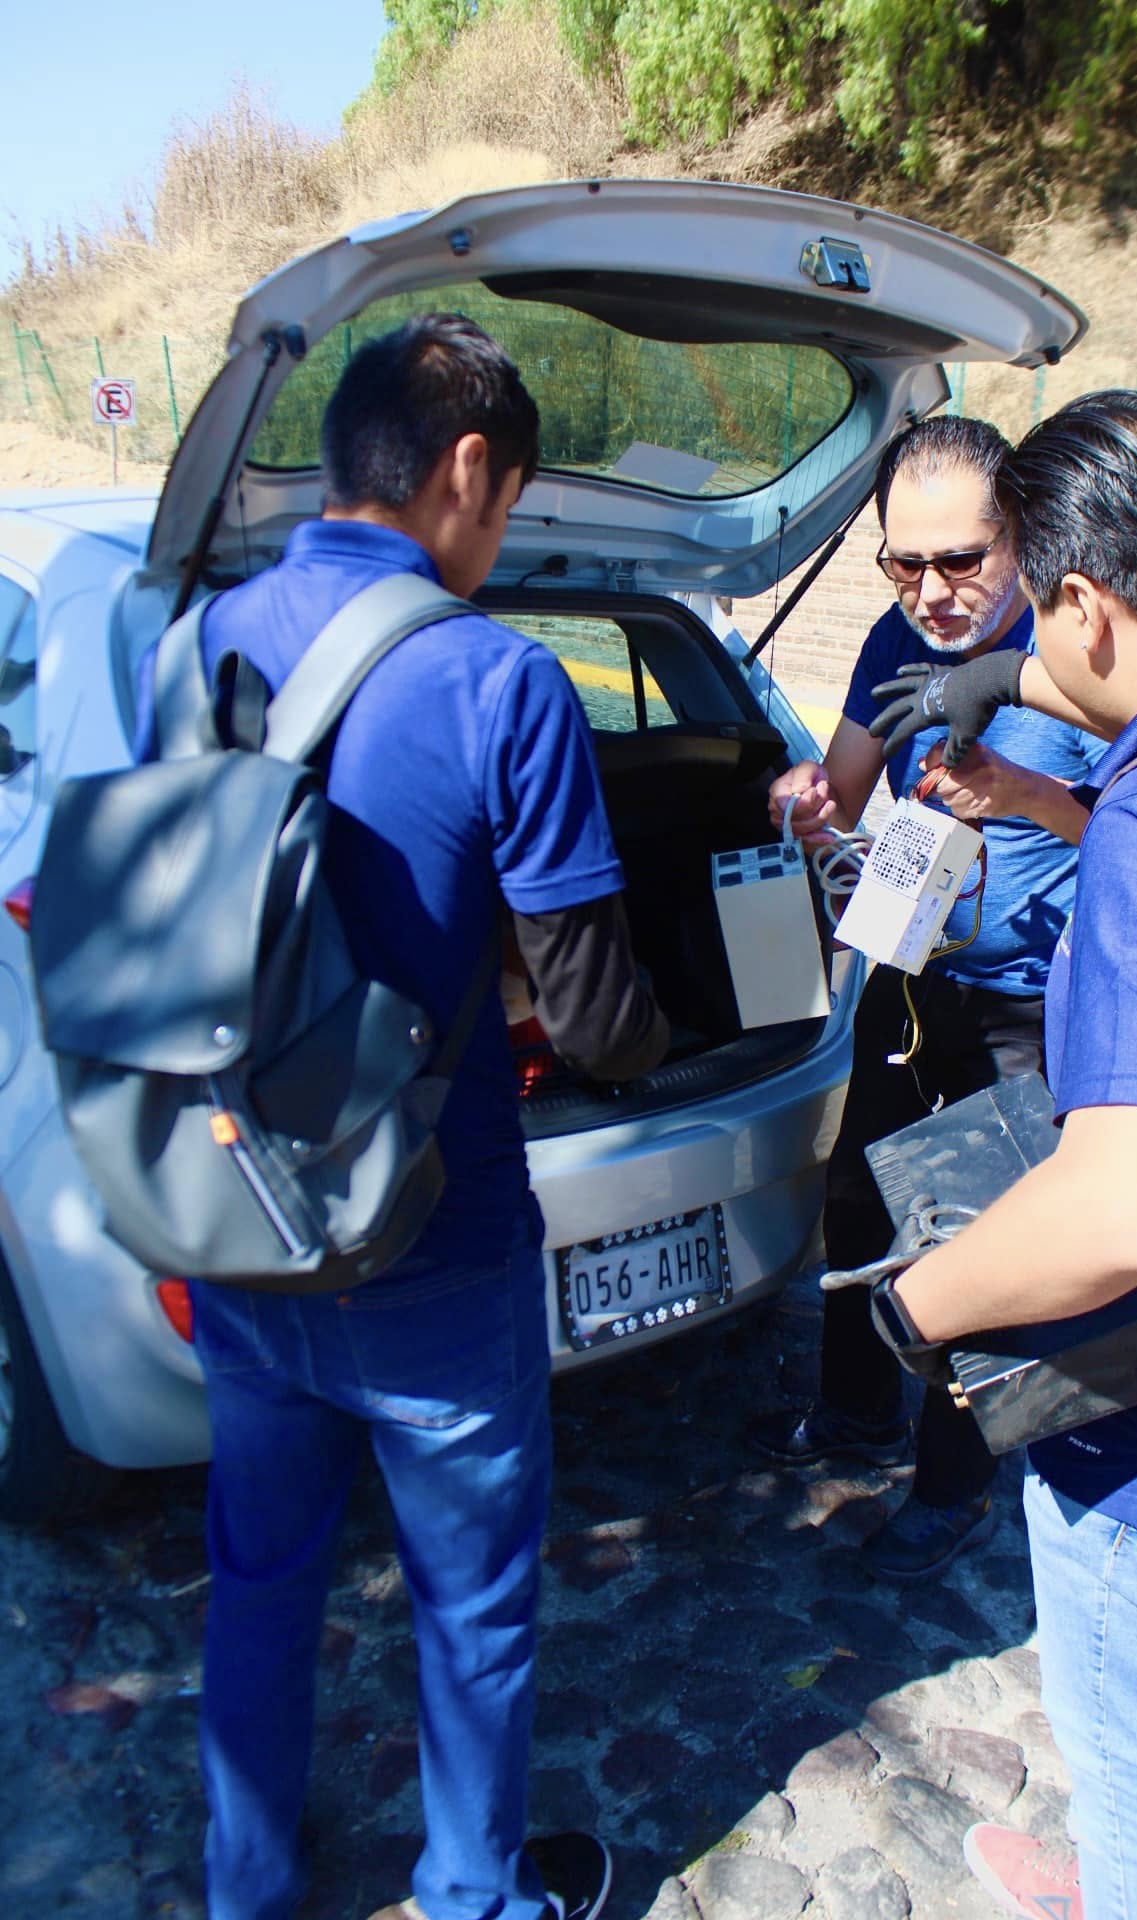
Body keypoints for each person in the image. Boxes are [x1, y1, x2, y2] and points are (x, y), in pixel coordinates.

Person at [135, 315, 669, 1920]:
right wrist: (667, 1027)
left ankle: (246, 1887)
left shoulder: (197, 646)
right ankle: (472, 1896)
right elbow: (599, 1026)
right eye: (508, 504)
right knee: (472, 1612)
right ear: (460, 471)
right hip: (433, 1249)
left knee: (261, 1577)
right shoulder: (501, 679)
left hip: (239, 1219)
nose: (502, 542)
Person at [865, 390, 1137, 1920]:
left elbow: (1124, 1208)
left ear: (1091, 603)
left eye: (1032, 602)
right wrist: (1025, 751)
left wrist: (924, 1302)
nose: (1012, 641)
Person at [749, 414, 1105, 1582]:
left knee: (983, 1246)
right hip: (907, 980)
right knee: (856, 1211)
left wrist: (1025, 797)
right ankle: (853, 1418)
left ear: (1021, 536)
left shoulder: (1084, 656)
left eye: (961, 559)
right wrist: (803, 795)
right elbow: (844, 792)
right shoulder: (882, 643)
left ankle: (954, 1484)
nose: (932, 589)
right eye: (904, 562)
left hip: (1026, 1009)